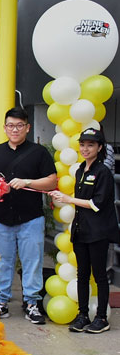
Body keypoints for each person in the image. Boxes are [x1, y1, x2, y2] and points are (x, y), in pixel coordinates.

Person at [0, 107, 57, 325]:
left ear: (27, 127)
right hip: (1, 217)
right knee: (2, 262)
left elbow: (52, 180)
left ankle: (32, 303)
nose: (15, 129)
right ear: (5, 128)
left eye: (19, 125)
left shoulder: (38, 152)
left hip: (31, 218)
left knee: (33, 261)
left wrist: (28, 182)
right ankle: (1, 302)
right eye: (11, 125)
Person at [50, 128, 120, 334]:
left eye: (91, 145)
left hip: (98, 231)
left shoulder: (103, 172)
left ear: (99, 147)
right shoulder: (81, 169)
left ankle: (101, 318)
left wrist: (69, 199)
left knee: (99, 275)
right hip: (81, 230)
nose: (85, 149)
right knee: (82, 274)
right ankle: (82, 315)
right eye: (82, 145)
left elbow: (97, 203)